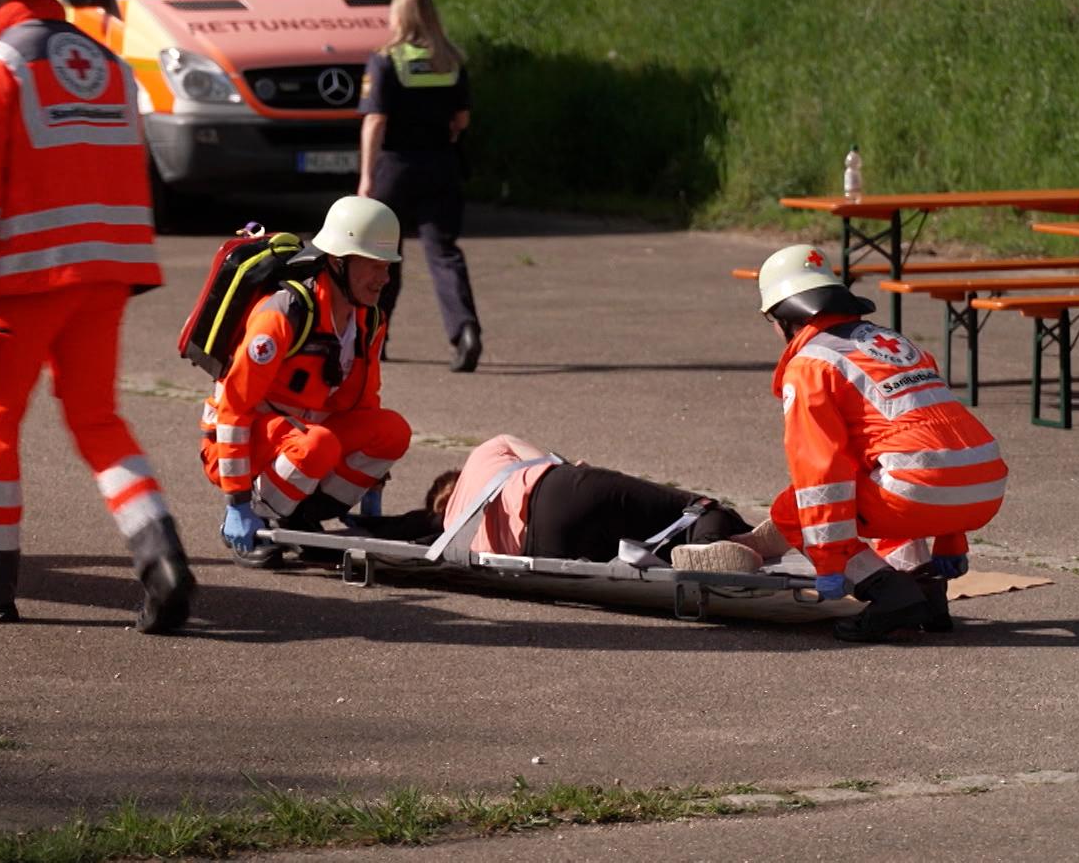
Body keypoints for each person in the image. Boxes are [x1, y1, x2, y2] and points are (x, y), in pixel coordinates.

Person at [0, 0, 193, 633]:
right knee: (98, 419)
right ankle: (161, 557)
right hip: (107, 275)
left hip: (22, 283)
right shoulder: (105, 63)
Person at [756, 243, 1008, 641]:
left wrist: (830, 563)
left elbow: (820, 474)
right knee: (883, 475)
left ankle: (890, 594)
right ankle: (927, 592)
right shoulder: (895, 344)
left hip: (920, 489)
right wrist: (950, 540)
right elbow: (940, 437)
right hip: (985, 485)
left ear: (784, 317)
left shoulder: (811, 366)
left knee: (791, 509)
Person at [207, 196, 412, 566]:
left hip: (302, 435)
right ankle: (255, 521)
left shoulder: (369, 319)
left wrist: (372, 480)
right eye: (374, 266)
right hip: (240, 438)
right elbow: (233, 409)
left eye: (388, 266)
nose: (384, 279)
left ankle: (302, 519)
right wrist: (236, 502)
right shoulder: (283, 314)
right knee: (317, 445)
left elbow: (362, 404)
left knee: (392, 430)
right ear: (337, 263)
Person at [356, 0, 482, 373]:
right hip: (441, 165)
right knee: (444, 253)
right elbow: (462, 120)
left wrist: (365, 176)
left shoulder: (385, 61)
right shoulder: (451, 61)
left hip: (395, 168)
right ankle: (465, 331)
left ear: (400, 18)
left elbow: (375, 120)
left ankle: (377, 336)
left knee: (383, 256)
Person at [410, 434, 764, 568]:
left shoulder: (453, 533)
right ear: (454, 478)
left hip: (545, 549)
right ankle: (722, 541)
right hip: (556, 493)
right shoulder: (485, 454)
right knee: (697, 506)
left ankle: (711, 549)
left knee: (653, 538)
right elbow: (555, 463)